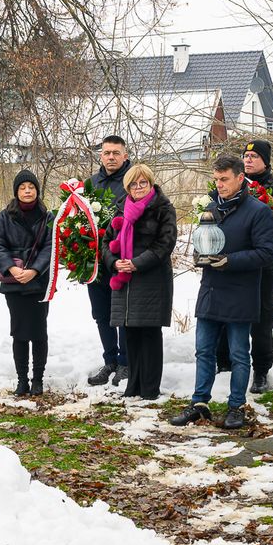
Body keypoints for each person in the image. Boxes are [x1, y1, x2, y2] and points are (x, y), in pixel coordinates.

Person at [170, 156, 273, 430]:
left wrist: (230, 261)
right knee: (204, 350)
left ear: (240, 178)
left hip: (241, 292)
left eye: (224, 179)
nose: (219, 185)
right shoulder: (210, 208)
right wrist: (199, 255)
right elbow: (202, 241)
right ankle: (199, 404)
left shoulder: (258, 211)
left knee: (240, 354)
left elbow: (266, 253)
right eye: (216, 179)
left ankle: (236, 406)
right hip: (211, 289)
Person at [215, 139, 273, 392]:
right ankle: (224, 364)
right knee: (224, 313)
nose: (248, 159)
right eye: (246, 155)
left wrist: (258, 213)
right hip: (228, 261)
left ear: (266, 160)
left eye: (254, 156)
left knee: (262, 318)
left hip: (261, 265)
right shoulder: (227, 184)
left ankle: (260, 371)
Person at [102, 164, 176, 401]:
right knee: (130, 333)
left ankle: (150, 388)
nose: (138, 187)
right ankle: (132, 385)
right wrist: (114, 263)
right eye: (133, 184)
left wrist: (136, 263)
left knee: (149, 334)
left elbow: (165, 244)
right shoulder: (121, 207)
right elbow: (106, 242)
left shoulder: (163, 208)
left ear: (151, 183)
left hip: (151, 278)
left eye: (142, 182)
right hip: (125, 279)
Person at [0, 169, 53, 396]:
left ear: (37, 190)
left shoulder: (47, 216)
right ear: (16, 192)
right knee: (19, 331)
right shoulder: (5, 216)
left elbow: (50, 246)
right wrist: (12, 268)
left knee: (38, 330)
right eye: (23, 188)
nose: (27, 191)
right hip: (14, 281)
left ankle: (38, 379)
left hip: (39, 281)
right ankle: (21, 379)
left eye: (31, 187)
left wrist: (35, 270)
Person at [85, 136, 130, 386]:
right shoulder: (91, 183)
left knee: (121, 314)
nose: (111, 157)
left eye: (116, 152)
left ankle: (125, 362)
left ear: (125, 155)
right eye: (106, 153)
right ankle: (110, 360)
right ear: (100, 155)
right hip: (96, 262)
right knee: (101, 314)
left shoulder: (133, 181)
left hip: (122, 261)